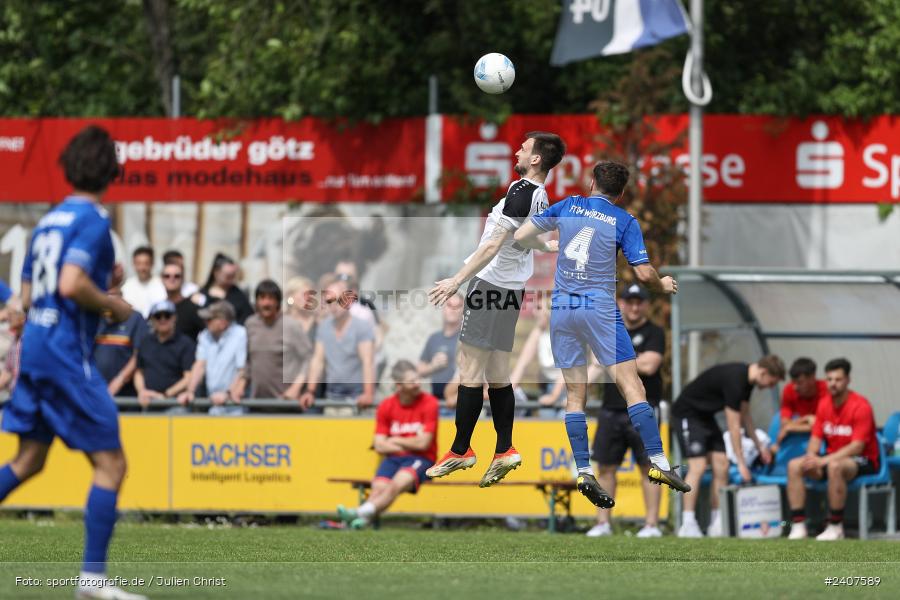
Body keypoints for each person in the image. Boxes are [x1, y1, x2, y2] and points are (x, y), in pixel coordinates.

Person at [0, 125, 147, 600]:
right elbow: (69, 284)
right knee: (112, 464)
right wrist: (113, 304)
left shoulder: (49, 221)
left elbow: (26, 299)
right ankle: (92, 580)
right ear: (111, 172)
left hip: (36, 349)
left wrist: (99, 283)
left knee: (28, 460)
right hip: (64, 355)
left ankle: (93, 581)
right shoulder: (94, 221)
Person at [514, 160, 688, 511]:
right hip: (599, 309)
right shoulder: (624, 220)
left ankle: (583, 470)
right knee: (633, 387)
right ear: (620, 193)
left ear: (591, 182)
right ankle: (659, 462)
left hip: (563, 309)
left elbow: (520, 236)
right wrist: (662, 284)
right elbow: (644, 274)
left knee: (575, 395)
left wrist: (546, 246)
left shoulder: (568, 205)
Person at [426, 131, 566, 488]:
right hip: (511, 290)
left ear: (536, 159)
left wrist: (456, 280)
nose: (517, 151)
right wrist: (549, 246)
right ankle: (504, 448)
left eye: (524, 148)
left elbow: (492, 246)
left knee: (469, 367)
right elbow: (525, 237)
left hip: (488, 285)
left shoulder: (521, 190)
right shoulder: (541, 195)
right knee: (498, 372)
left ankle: (461, 449)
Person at [672, 355, 784, 537]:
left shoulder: (748, 382)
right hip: (688, 414)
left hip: (706, 418)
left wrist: (760, 447)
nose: (770, 387)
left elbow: (746, 416)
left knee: (722, 465)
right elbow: (734, 425)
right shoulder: (735, 379)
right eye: (772, 383)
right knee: (698, 466)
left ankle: (717, 523)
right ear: (764, 372)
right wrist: (741, 463)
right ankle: (688, 523)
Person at [585, 283, 666, 538]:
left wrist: (612, 357)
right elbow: (594, 365)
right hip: (610, 409)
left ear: (646, 305)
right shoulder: (608, 331)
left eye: (639, 302)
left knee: (649, 468)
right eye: (630, 301)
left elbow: (650, 366)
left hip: (642, 410)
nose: (634, 307)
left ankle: (651, 525)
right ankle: (602, 523)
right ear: (621, 303)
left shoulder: (654, 332)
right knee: (606, 468)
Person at [336, 360, 439, 529]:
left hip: (421, 459)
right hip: (393, 459)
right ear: (399, 385)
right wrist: (410, 442)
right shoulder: (386, 406)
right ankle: (360, 522)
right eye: (412, 381)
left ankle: (356, 513)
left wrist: (395, 439)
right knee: (377, 490)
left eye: (418, 379)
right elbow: (380, 445)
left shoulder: (430, 403)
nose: (417, 384)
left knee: (394, 486)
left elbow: (423, 444)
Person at [787, 358, 880, 541]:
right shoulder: (824, 404)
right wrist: (811, 457)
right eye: (829, 379)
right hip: (832, 457)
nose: (833, 384)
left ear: (848, 380)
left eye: (838, 379)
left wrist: (823, 461)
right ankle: (798, 526)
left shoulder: (861, 406)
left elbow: (857, 447)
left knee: (835, 466)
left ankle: (835, 526)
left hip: (863, 459)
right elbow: (816, 437)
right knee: (794, 465)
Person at [299, 276, 376, 415]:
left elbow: (368, 362)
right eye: (330, 301)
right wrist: (310, 391)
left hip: (357, 398)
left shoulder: (361, 326)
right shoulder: (324, 327)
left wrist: (368, 393)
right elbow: (318, 361)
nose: (334, 305)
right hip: (332, 397)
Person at [234, 280, 312, 401]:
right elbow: (249, 361)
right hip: (257, 403)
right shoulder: (250, 324)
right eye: (262, 298)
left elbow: (309, 359)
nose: (266, 303)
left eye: (271, 298)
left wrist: (296, 388)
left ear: (277, 302)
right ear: (256, 301)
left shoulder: (291, 325)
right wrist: (241, 384)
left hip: (286, 403)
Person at [178, 301, 247, 415]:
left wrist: (228, 393)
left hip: (235, 406)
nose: (205, 322)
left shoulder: (241, 334)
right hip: (213, 404)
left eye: (209, 319)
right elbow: (200, 365)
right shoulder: (204, 335)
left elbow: (242, 370)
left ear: (223, 322)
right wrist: (190, 391)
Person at [134, 300, 195, 409]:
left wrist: (165, 395)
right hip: (148, 403)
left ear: (174, 318)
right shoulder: (145, 342)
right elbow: (139, 372)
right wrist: (142, 391)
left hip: (175, 404)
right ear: (152, 319)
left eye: (167, 315)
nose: (163, 320)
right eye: (158, 316)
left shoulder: (185, 343)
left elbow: (189, 377)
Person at [94, 288, 149, 398]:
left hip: (125, 392)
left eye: (113, 296)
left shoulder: (135, 318)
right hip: (96, 389)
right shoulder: (95, 318)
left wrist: (120, 380)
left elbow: (138, 355)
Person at [770, 357, 828, 453]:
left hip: (819, 434)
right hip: (800, 426)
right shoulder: (789, 390)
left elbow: (825, 425)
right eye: (793, 382)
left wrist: (791, 427)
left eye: (800, 382)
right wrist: (805, 420)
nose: (795, 387)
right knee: (777, 420)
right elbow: (785, 422)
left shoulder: (827, 390)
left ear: (812, 378)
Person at [417, 293, 463, 400]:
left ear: (464, 311)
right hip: (436, 399)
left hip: (459, 399)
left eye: (458, 306)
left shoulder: (467, 338)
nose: (453, 310)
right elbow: (419, 370)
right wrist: (433, 366)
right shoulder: (434, 338)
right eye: (449, 305)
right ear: (443, 308)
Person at [198, 253, 253, 324]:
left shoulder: (239, 295)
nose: (232, 280)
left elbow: (248, 317)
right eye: (228, 276)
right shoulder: (201, 294)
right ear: (216, 273)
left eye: (233, 276)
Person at [160, 260, 205, 342]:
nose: (172, 279)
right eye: (167, 276)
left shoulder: (193, 309)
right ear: (161, 279)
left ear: (182, 279)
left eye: (176, 276)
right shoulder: (158, 308)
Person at [121, 246, 166, 318]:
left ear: (152, 263)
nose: (142, 268)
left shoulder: (161, 284)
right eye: (139, 263)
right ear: (133, 264)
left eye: (146, 263)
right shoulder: (127, 286)